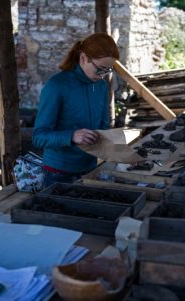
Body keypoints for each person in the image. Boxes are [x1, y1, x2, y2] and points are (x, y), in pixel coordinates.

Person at [33, 33, 120, 188]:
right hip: (57, 173)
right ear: (83, 58)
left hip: (91, 169)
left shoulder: (101, 86)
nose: (102, 76)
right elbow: (39, 137)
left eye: (108, 71)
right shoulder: (57, 86)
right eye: (100, 69)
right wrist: (71, 136)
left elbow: (104, 127)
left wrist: (118, 150)